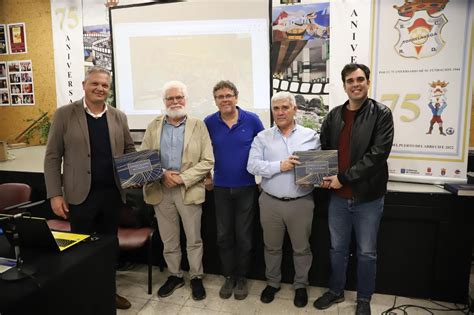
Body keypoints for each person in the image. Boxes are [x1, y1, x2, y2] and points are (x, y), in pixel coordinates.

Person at [44, 66, 135, 310]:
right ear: (84, 84)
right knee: (79, 249)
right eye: (95, 83)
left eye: (105, 85)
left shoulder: (118, 116)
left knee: (108, 249)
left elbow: (128, 150)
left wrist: (137, 171)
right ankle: (81, 295)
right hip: (80, 196)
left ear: (109, 89)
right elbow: (53, 157)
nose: (100, 88)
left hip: (112, 195)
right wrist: (55, 194)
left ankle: (108, 292)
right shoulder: (65, 114)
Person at [313, 63, 394, 315]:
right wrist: (318, 172)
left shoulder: (381, 114)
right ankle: (336, 291)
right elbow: (324, 148)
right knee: (337, 249)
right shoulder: (334, 115)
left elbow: (377, 155)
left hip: (368, 197)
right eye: (350, 80)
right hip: (338, 198)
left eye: (360, 79)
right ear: (344, 85)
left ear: (368, 82)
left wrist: (343, 178)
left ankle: (363, 299)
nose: (355, 84)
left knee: (366, 252)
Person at [140, 80, 214, 301]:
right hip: (160, 189)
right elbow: (144, 157)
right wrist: (162, 173)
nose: (175, 101)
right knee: (169, 239)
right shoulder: (153, 125)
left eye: (179, 97)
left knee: (194, 239)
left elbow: (207, 160)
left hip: (188, 189)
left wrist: (182, 178)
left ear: (186, 100)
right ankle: (175, 275)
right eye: (170, 98)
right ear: (164, 102)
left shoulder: (198, 125)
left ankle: (196, 277)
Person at [247, 91, 320, 308]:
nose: (280, 112)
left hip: (301, 203)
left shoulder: (311, 136)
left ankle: (300, 285)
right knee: (271, 247)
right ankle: (273, 283)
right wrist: (280, 166)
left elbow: (319, 169)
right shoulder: (262, 137)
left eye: (285, 108)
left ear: (295, 109)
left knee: (302, 248)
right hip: (270, 202)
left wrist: (313, 179)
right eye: (276, 108)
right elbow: (252, 165)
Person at [204, 80, 264, 300]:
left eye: (228, 95)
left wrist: (261, 178)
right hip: (220, 188)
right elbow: (202, 153)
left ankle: (242, 278)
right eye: (220, 97)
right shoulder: (209, 122)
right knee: (224, 236)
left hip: (247, 187)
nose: (225, 100)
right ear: (215, 100)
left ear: (236, 97)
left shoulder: (253, 120)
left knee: (245, 237)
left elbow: (264, 149)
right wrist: (206, 176)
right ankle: (229, 276)